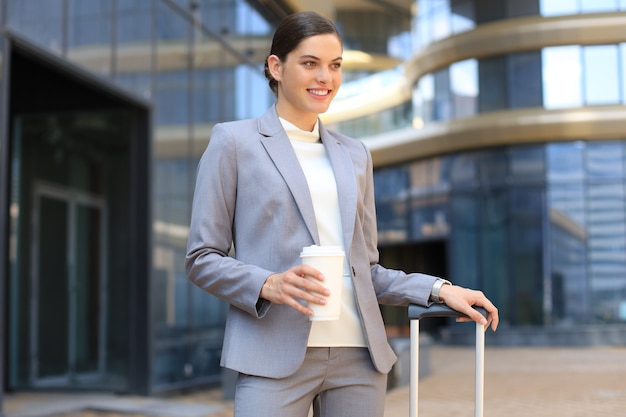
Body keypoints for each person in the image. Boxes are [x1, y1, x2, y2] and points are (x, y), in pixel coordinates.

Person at [185, 10, 498, 417]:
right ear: (276, 67)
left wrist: (439, 289)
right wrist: (269, 284)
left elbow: (366, 270)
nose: (325, 78)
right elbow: (201, 258)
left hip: (358, 356)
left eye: (334, 66)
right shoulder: (233, 142)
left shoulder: (354, 154)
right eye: (310, 63)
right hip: (271, 355)